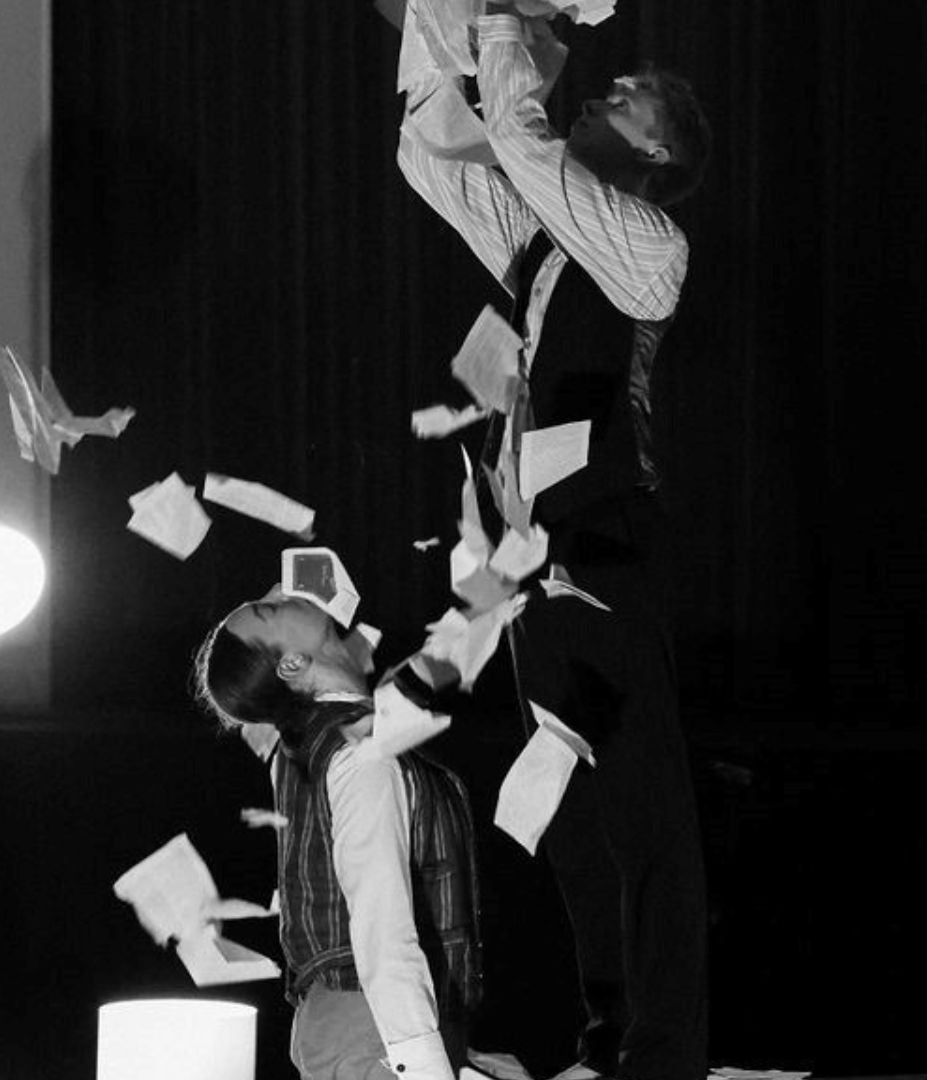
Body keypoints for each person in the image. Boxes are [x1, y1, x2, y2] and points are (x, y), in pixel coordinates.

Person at [394, 6, 713, 1080]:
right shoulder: (542, 242)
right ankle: (605, 1035)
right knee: (569, 810)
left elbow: (524, 142)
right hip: (532, 557)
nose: (600, 95)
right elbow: (428, 152)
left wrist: (506, 24)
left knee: (641, 808)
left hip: (607, 546)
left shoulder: (649, 248)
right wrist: (445, 20)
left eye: (627, 101)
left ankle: (662, 1050)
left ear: (656, 152)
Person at [192, 586, 482, 1080]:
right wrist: (427, 1068)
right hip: (375, 1028)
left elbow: (410, 682)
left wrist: (491, 596)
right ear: (291, 665)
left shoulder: (322, 738)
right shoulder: (354, 756)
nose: (285, 593)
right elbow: (381, 922)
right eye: (270, 608)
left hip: (362, 1026)